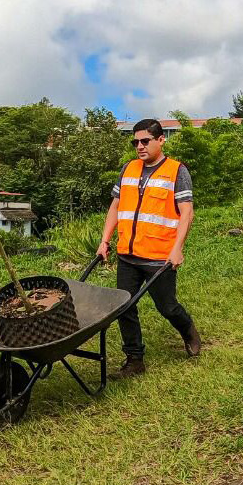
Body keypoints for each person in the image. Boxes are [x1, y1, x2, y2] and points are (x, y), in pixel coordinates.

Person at [94, 118, 202, 376]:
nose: (139, 146)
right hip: (128, 255)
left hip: (159, 256)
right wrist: (105, 240)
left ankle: (187, 330)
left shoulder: (177, 171)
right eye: (135, 142)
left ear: (161, 140)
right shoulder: (128, 169)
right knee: (124, 306)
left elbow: (187, 213)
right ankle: (134, 359)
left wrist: (177, 248)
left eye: (145, 141)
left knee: (167, 307)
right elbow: (116, 207)